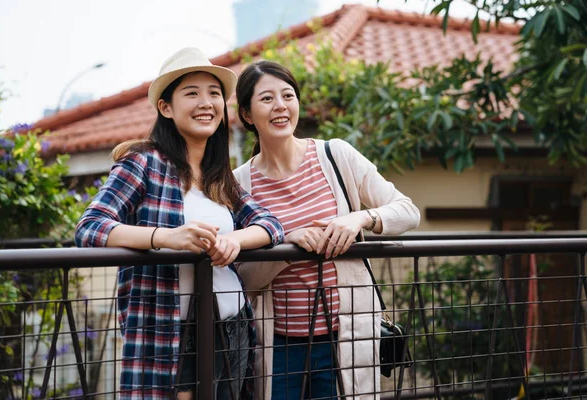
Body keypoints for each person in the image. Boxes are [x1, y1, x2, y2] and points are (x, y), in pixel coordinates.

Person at [75, 48, 284, 400]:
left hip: (232, 328)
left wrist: (236, 241)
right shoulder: (143, 162)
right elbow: (91, 227)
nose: (206, 102)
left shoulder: (220, 177)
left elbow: (270, 224)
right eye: (192, 93)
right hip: (169, 331)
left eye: (214, 93)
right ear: (166, 108)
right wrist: (165, 237)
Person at [233, 60, 420, 399]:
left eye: (288, 95)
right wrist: (285, 247)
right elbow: (243, 278)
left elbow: (408, 211)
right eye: (266, 99)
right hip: (277, 344)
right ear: (247, 114)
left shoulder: (336, 155)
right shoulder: (238, 183)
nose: (280, 106)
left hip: (344, 335)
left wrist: (360, 218)